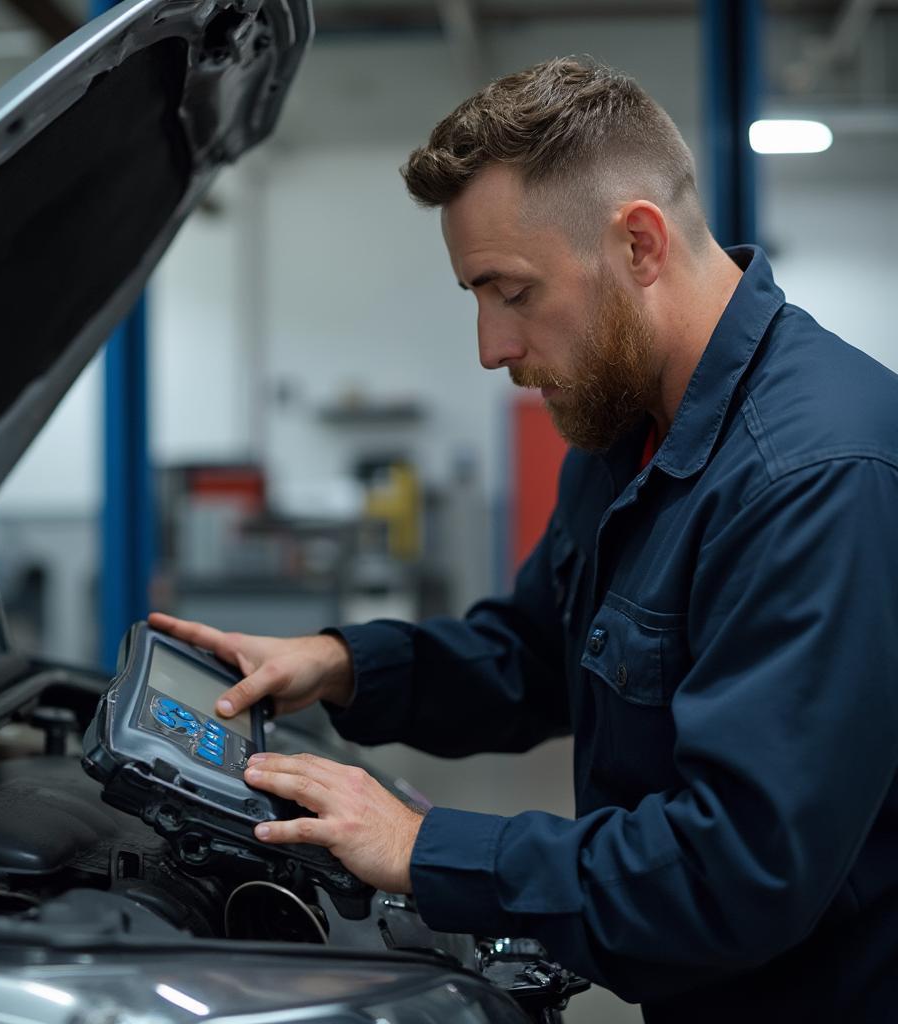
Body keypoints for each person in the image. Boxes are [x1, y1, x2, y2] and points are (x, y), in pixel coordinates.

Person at [151, 57, 898, 1023]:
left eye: (509, 291)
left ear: (639, 243)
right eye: (475, 295)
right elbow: (538, 652)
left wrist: (428, 850)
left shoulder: (816, 479)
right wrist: (338, 665)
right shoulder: (625, 424)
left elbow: (738, 870)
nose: (489, 346)